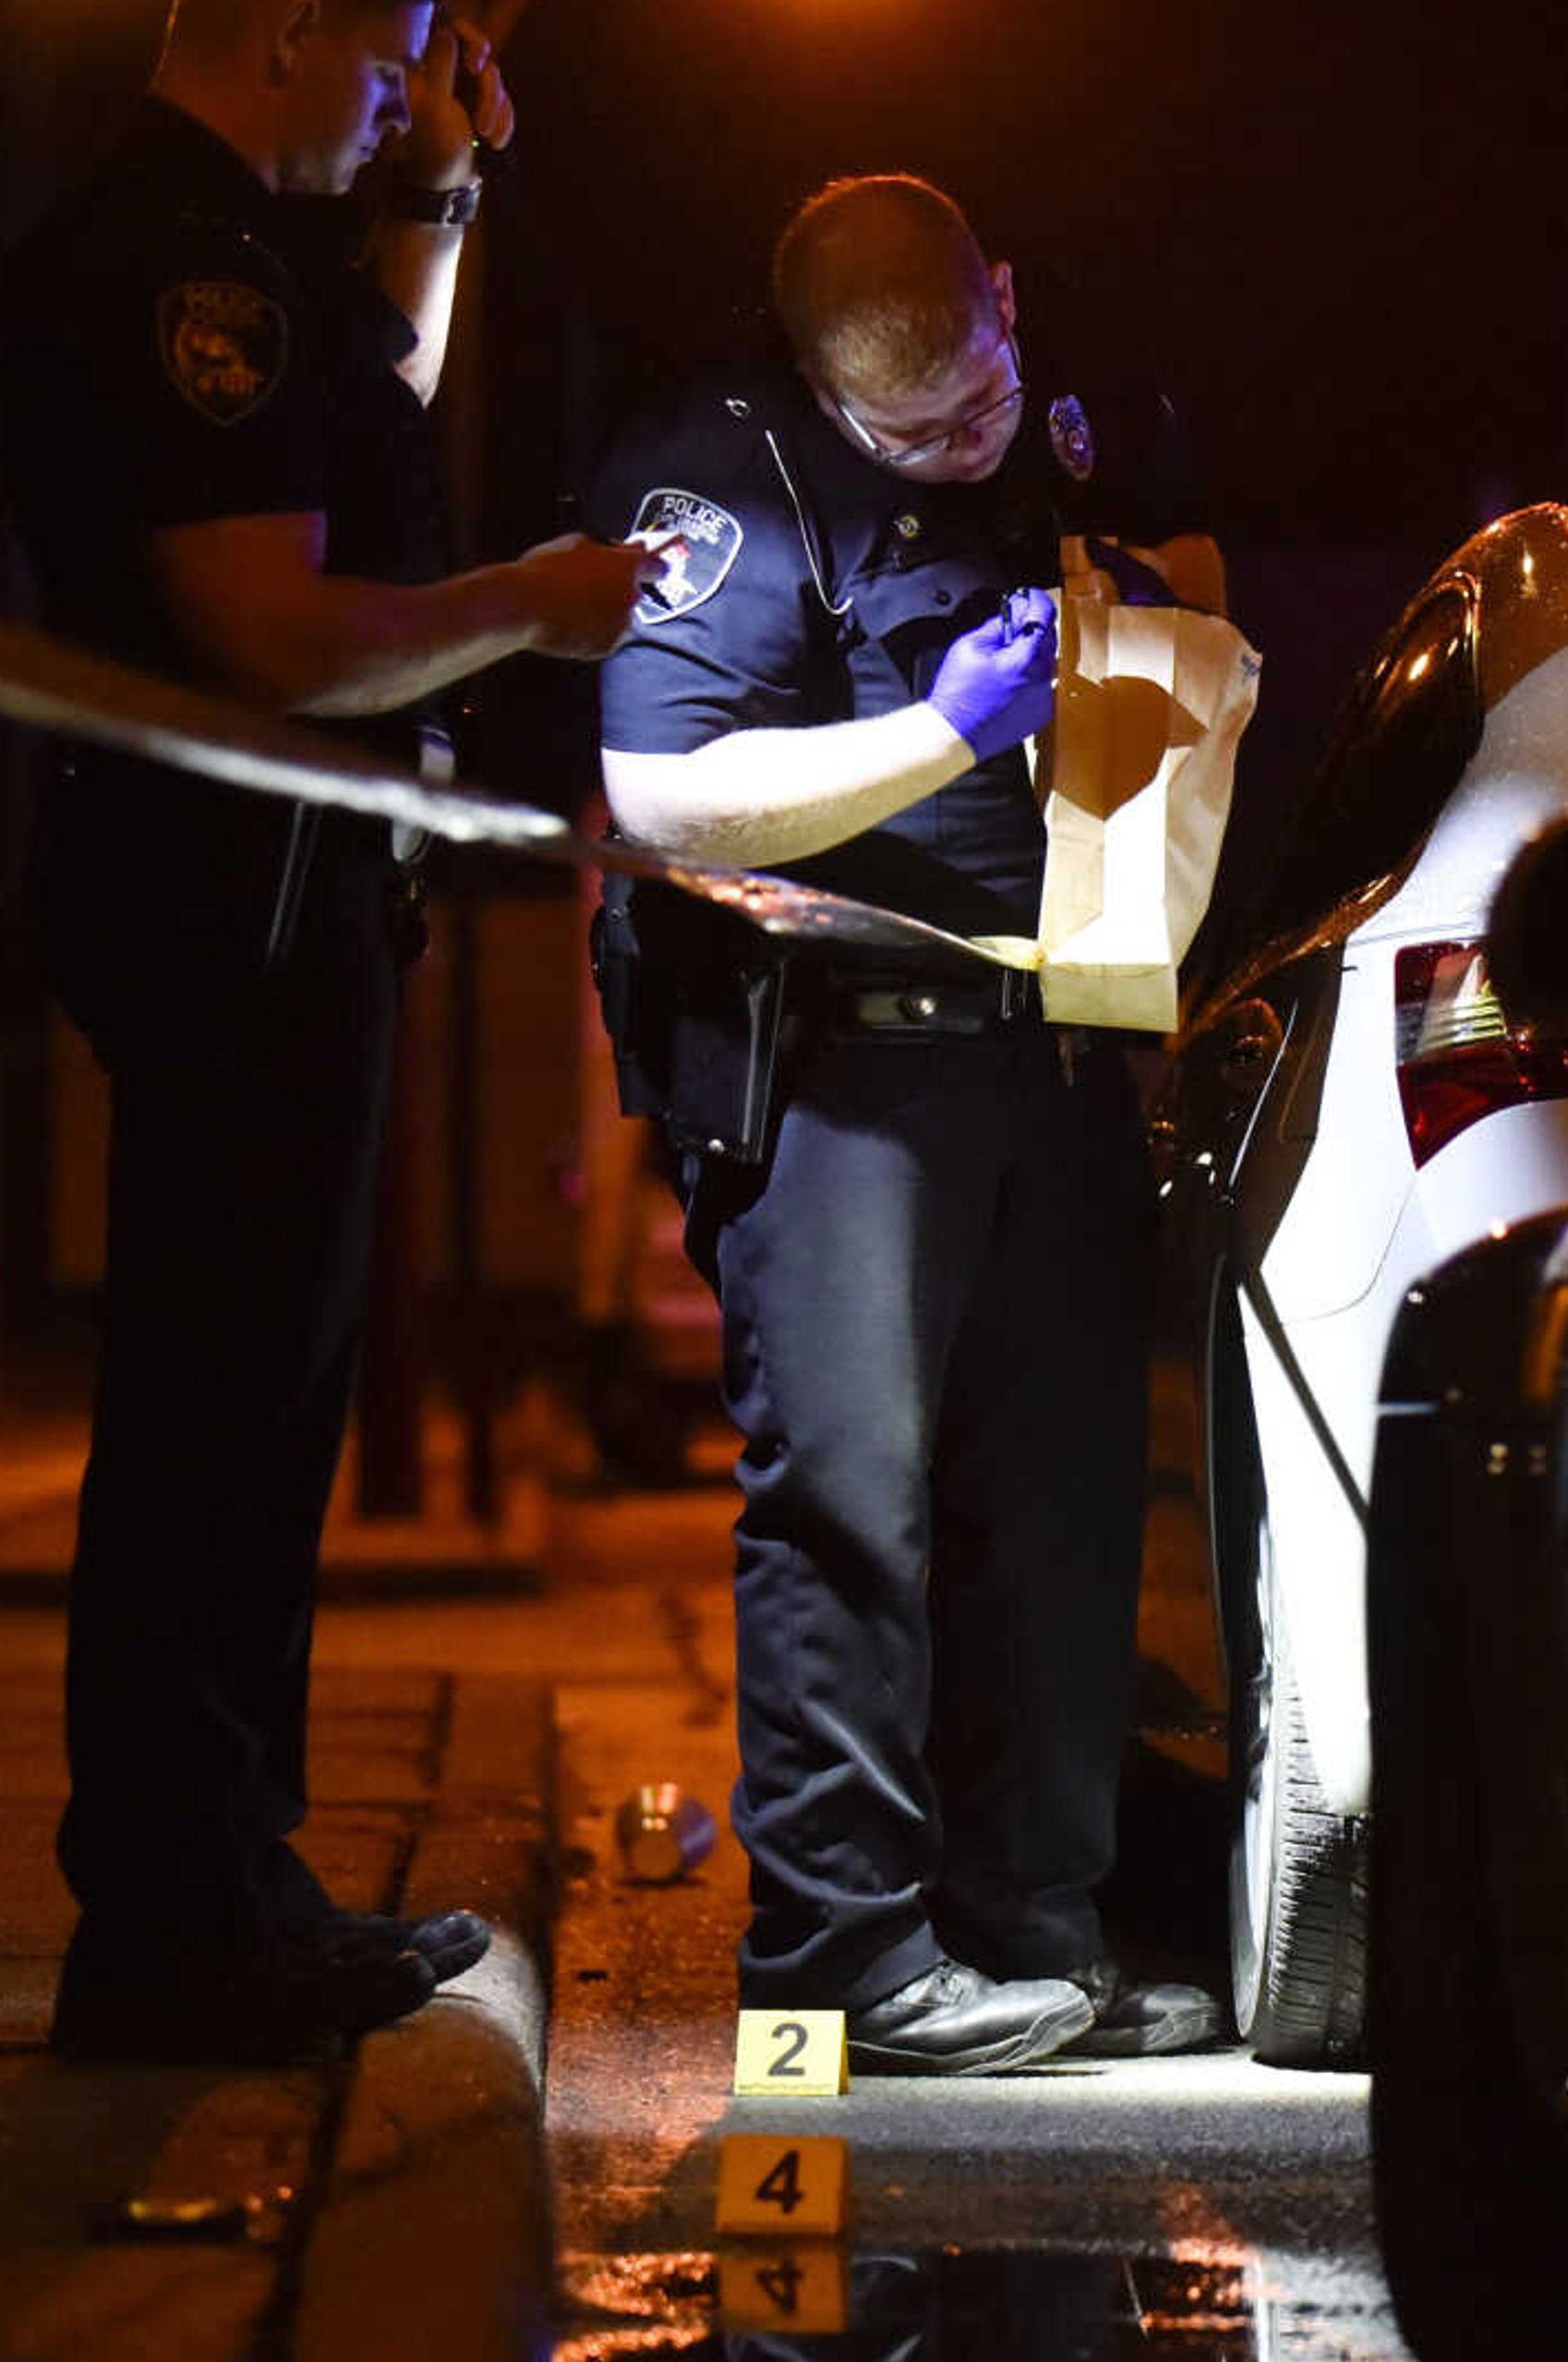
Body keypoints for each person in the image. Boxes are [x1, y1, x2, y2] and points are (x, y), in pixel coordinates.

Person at [0, 0, 658, 2063]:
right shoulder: (183, 263)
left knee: (260, 1404)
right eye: (384, 71)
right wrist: (532, 604)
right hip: (231, 900)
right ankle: (179, 1916)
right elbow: (263, 624)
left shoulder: (244, 259)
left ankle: (227, 1884)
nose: (397, 106)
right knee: (218, 1411)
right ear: (288, 31)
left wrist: (449, 185)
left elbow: (369, 379)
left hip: (262, 899)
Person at [589, 174, 1223, 2071]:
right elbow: (663, 793)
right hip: (842, 1058)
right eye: (918, 430)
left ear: (1009, 298)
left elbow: (1193, 586)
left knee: (1062, 1500)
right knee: (852, 1504)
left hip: (1052, 1027)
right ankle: (842, 1954)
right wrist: (949, 729)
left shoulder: (1090, 410)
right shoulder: (720, 478)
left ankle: (1042, 1923)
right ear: (818, 377)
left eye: (982, 394)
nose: (969, 444)